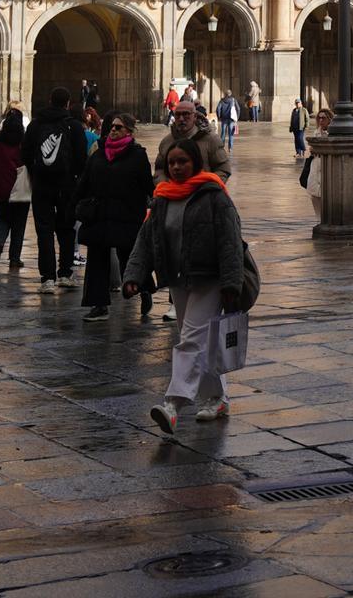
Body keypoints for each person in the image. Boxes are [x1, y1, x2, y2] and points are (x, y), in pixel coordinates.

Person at [122, 137, 243, 434]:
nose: (176, 167)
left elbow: (230, 242)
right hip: (178, 277)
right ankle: (217, 397)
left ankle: (173, 404)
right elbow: (146, 239)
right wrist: (134, 275)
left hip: (209, 279)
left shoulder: (213, 194)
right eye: (172, 162)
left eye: (182, 162)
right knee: (198, 340)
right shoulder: (162, 196)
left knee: (190, 338)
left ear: (195, 163)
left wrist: (231, 282)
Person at [152, 98, 232, 321]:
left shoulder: (210, 140)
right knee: (173, 248)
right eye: (178, 115)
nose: (182, 119)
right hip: (173, 199)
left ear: (195, 116)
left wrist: (209, 186)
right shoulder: (167, 141)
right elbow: (159, 168)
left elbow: (223, 168)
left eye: (186, 115)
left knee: (196, 250)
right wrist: (163, 185)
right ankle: (174, 302)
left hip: (203, 202)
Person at [72, 113, 154, 321]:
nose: (113, 130)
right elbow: (84, 183)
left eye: (118, 127)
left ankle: (144, 290)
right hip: (100, 215)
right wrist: (75, 203)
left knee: (129, 257)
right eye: (112, 127)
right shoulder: (99, 155)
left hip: (126, 215)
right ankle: (98, 305)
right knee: (97, 261)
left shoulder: (137, 155)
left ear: (129, 131)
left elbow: (147, 186)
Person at [22, 86, 88, 290]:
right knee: (67, 230)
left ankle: (47, 278)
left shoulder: (35, 124)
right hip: (66, 186)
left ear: (50, 100)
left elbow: (24, 154)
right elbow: (81, 158)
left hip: (42, 184)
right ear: (68, 103)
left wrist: (36, 172)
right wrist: (72, 177)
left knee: (44, 230)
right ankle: (65, 274)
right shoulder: (74, 126)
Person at [0, 109, 31, 267]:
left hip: (0, 190)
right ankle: (14, 258)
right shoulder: (24, 144)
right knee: (19, 224)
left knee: (1, 218)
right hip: (20, 191)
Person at [304, 107, 333, 219]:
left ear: (329, 119)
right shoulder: (316, 133)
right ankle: (319, 219)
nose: (321, 120)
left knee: (325, 194)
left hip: (326, 167)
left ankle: (326, 219)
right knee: (313, 193)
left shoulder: (331, 134)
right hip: (315, 166)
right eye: (319, 118)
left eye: (323, 118)